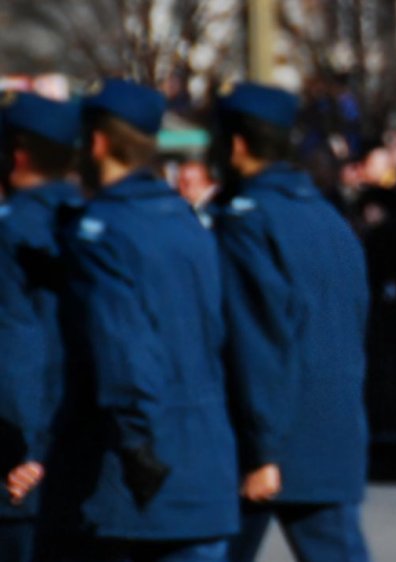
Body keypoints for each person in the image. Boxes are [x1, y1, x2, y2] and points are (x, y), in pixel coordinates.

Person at [39, 78, 239, 561]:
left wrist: (136, 445)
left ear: (99, 142)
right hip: (203, 463)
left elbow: (124, 350)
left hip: (134, 475)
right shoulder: (185, 221)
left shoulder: (103, 231)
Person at [210, 82, 370, 562]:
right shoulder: (326, 217)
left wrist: (263, 449)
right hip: (331, 431)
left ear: (237, 144)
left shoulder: (247, 220)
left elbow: (256, 340)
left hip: (264, 441)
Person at [0, 91, 82, 562]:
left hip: (20, 457)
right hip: (82, 451)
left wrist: (29, 451)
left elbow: (17, 347)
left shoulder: (11, 229)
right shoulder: (94, 220)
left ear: (19, 154)